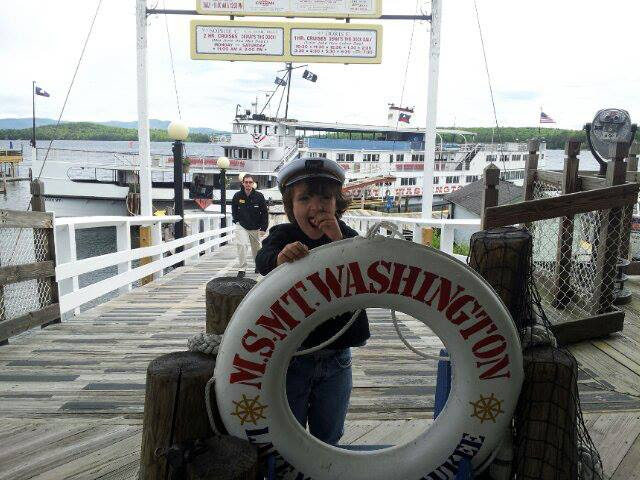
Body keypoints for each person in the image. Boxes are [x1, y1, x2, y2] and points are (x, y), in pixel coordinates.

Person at [255, 157, 370, 446]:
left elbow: (363, 269)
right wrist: (280, 258)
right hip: (293, 355)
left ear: (336, 203)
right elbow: (262, 259)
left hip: (337, 356)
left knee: (329, 432)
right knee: (289, 429)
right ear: (290, 207)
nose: (316, 207)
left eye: (325, 198)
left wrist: (337, 240)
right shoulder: (284, 235)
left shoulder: (347, 236)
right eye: (304, 198)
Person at [231, 173, 268, 270]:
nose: (248, 184)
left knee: (256, 248)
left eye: (250, 182)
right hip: (241, 225)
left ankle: (258, 266)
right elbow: (234, 210)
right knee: (241, 245)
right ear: (243, 183)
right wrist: (236, 220)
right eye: (246, 182)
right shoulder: (237, 196)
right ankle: (242, 269)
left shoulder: (259, 196)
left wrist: (264, 228)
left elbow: (264, 212)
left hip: (255, 226)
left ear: (253, 183)